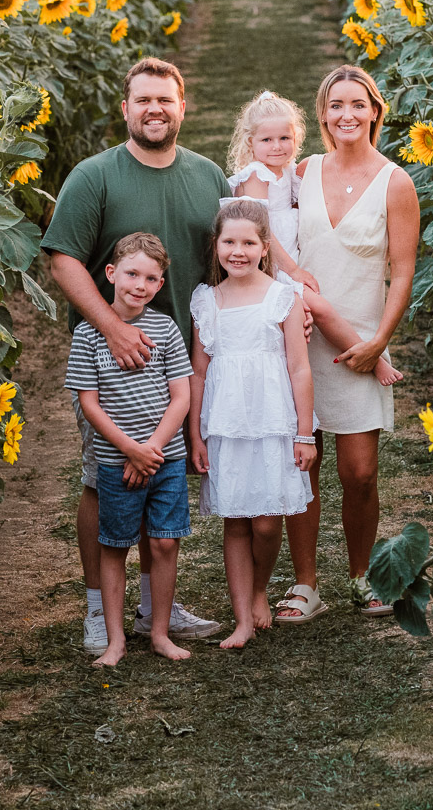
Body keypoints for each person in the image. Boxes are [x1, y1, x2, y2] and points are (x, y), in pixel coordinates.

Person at [42, 57, 228, 652]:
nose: (155, 110)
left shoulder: (208, 177)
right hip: (114, 359)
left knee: (164, 474)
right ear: (125, 108)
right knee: (105, 480)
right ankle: (100, 609)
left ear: (182, 107)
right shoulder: (95, 176)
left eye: (165, 101)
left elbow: (233, 255)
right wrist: (113, 328)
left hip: (184, 360)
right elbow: (63, 258)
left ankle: (154, 608)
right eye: (143, 100)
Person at [277, 65, 420, 623]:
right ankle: (306, 583)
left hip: (361, 339)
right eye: (335, 106)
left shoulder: (395, 182)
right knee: (302, 463)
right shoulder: (304, 171)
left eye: (357, 105)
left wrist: (379, 340)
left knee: (359, 473)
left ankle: (364, 576)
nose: (346, 115)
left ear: (375, 112)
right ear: (322, 115)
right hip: (301, 339)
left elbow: (403, 272)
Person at [186, 199, 316, 649]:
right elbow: (199, 372)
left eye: (247, 242)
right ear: (216, 245)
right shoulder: (206, 301)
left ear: (264, 247)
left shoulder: (284, 298)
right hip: (225, 422)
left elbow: (299, 369)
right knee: (236, 520)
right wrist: (195, 433)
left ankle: (261, 587)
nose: (237, 251)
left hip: (272, 420)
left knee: (265, 521)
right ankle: (242, 616)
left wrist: (304, 432)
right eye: (228, 242)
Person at [66, 233, 194, 666]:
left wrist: (153, 448)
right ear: (111, 274)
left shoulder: (166, 328)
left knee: (163, 544)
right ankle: (115, 639)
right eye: (132, 274)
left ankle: (158, 631)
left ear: (160, 285)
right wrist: (129, 450)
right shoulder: (88, 335)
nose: (139, 285)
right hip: (116, 461)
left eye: (150, 278)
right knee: (115, 544)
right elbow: (89, 403)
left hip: (166, 458)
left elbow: (181, 396)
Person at [225, 90, 402, 388]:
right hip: (271, 266)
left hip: (291, 260)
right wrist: (293, 271)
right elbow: (260, 231)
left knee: (306, 318)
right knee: (319, 308)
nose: (277, 147)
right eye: (266, 140)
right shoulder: (256, 176)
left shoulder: (291, 173)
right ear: (250, 143)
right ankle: (373, 360)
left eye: (285, 138)